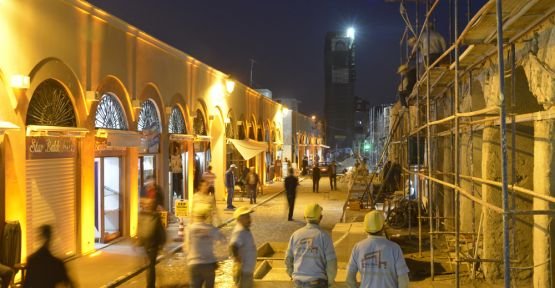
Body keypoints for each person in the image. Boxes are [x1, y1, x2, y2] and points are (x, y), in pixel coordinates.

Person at [346, 210, 410, 288]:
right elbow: (404, 281)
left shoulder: (358, 248)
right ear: (383, 227)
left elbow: (349, 278)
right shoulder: (394, 248)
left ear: (365, 228)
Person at [285, 203, 337, 288]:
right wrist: (330, 283)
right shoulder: (324, 236)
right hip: (317, 283)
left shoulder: (295, 235)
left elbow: (288, 260)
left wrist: (292, 275)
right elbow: (332, 264)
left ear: (304, 217)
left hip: (297, 283)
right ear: (320, 218)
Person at [186, 207, 226, 288]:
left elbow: (186, 247)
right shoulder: (211, 228)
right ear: (205, 217)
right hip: (208, 264)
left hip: (193, 264)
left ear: (194, 216)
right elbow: (223, 241)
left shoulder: (189, 229)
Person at [138, 176, 166, 288]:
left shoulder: (158, 191)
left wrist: (161, 243)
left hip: (153, 240)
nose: (146, 203)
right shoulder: (142, 215)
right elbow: (140, 226)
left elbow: (161, 203)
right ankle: (151, 282)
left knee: (150, 264)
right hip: (146, 239)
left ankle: (150, 285)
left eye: (151, 183)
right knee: (149, 265)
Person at [229, 207, 256, 288]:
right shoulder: (240, 231)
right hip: (244, 271)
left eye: (249, 216)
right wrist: (237, 261)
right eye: (247, 217)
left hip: (248, 269)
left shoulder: (245, 229)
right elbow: (233, 246)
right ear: (240, 218)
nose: (250, 219)